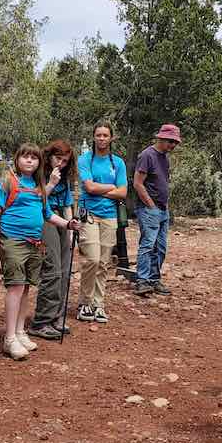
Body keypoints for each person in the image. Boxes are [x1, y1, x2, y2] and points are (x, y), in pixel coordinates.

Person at [0, 144, 83, 360]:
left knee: (27, 287)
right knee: (16, 287)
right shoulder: (8, 182)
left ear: (40, 162)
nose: (29, 161)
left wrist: (68, 224)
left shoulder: (38, 185)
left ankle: (20, 331)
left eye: (34, 158)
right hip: (13, 241)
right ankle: (9, 338)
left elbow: (47, 213)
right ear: (17, 159)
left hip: (34, 242)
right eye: (25, 157)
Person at [76, 122, 128, 323]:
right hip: (88, 213)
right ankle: (84, 302)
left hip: (110, 216)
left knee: (104, 262)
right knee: (92, 259)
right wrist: (110, 188)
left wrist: (101, 188)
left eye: (105, 135)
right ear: (93, 137)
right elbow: (88, 187)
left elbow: (123, 192)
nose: (102, 138)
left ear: (111, 138)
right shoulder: (85, 160)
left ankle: (98, 304)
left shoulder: (118, 163)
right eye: (98, 135)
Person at [31, 139, 78, 341]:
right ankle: (42, 320)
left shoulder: (65, 177)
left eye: (65, 161)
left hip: (62, 220)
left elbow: (68, 203)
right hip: (44, 218)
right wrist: (51, 183)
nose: (61, 164)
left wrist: (70, 229)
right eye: (58, 159)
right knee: (53, 269)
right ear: (49, 156)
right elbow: (36, 200)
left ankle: (57, 317)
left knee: (65, 269)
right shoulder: (38, 173)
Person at [132, 124, 181, 297]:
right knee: (148, 244)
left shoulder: (165, 158)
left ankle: (154, 279)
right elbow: (137, 183)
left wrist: (164, 205)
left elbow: (163, 182)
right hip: (148, 209)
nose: (173, 145)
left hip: (162, 209)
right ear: (161, 138)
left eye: (175, 142)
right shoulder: (147, 155)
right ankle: (142, 280)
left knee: (161, 247)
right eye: (170, 141)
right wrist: (150, 205)